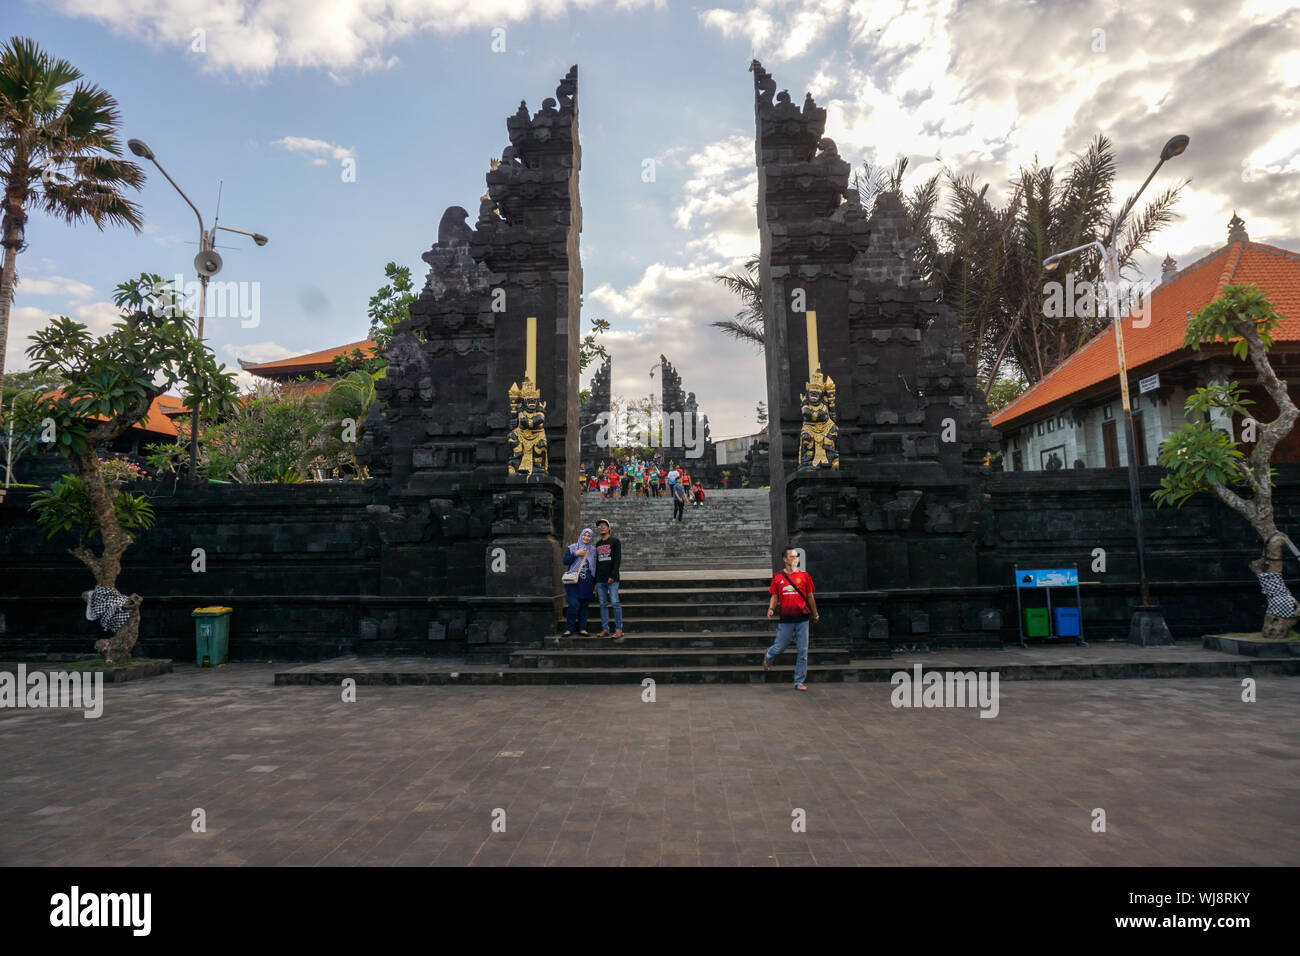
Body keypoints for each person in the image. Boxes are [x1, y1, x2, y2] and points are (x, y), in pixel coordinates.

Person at [763, 546, 819, 691]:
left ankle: (799, 681)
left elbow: (810, 596)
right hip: (786, 618)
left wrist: (815, 613)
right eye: (792, 556)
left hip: (802, 618)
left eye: (796, 556)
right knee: (780, 646)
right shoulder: (778, 577)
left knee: (803, 651)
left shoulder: (805, 576)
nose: (795, 559)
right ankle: (769, 655)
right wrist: (771, 608)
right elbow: (774, 596)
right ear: (785, 559)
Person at [561, 528, 597, 636]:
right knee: (574, 605)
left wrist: (595, 583)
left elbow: (595, 566)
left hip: (587, 583)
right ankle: (569, 629)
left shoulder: (593, 550)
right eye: (584, 535)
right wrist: (576, 554)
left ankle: (582, 628)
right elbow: (565, 561)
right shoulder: (572, 548)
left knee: (584, 607)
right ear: (581, 536)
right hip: (573, 582)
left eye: (588, 536)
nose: (586, 537)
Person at [592, 518, 624, 641]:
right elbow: (597, 563)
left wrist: (612, 575)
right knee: (603, 604)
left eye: (604, 525)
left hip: (612, 579)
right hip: (600, 579)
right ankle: (605, 629)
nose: (602, 527)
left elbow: (617, 560)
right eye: (599, 526)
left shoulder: (615, 542)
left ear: (609, 528)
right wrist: (595, 581)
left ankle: (618, 629)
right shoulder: (598, 544)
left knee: (615, 603)